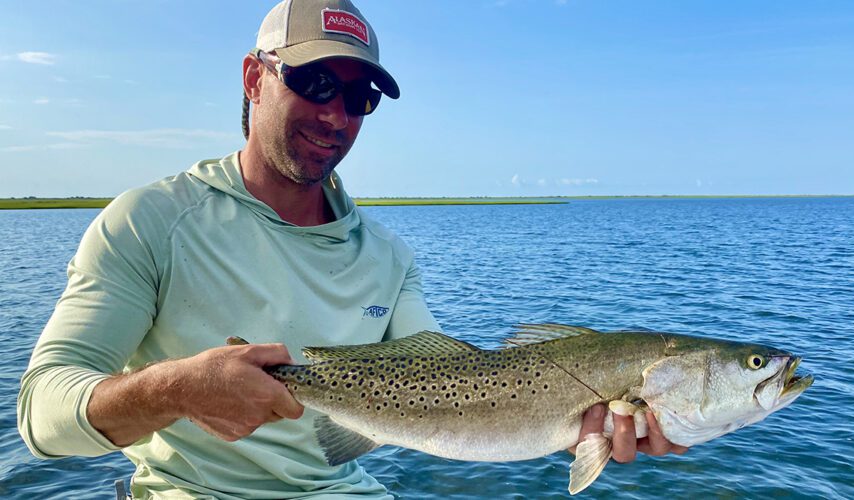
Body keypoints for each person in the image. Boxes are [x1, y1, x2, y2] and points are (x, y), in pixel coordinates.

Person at [17, 0, 686, 498]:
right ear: (253, 77)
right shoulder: (151, 221)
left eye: (359, 96)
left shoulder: (388, 257)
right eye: (314, 83)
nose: (336, 115)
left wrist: (584, 426)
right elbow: (41, 416)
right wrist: (175, 389)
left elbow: (456, 383)